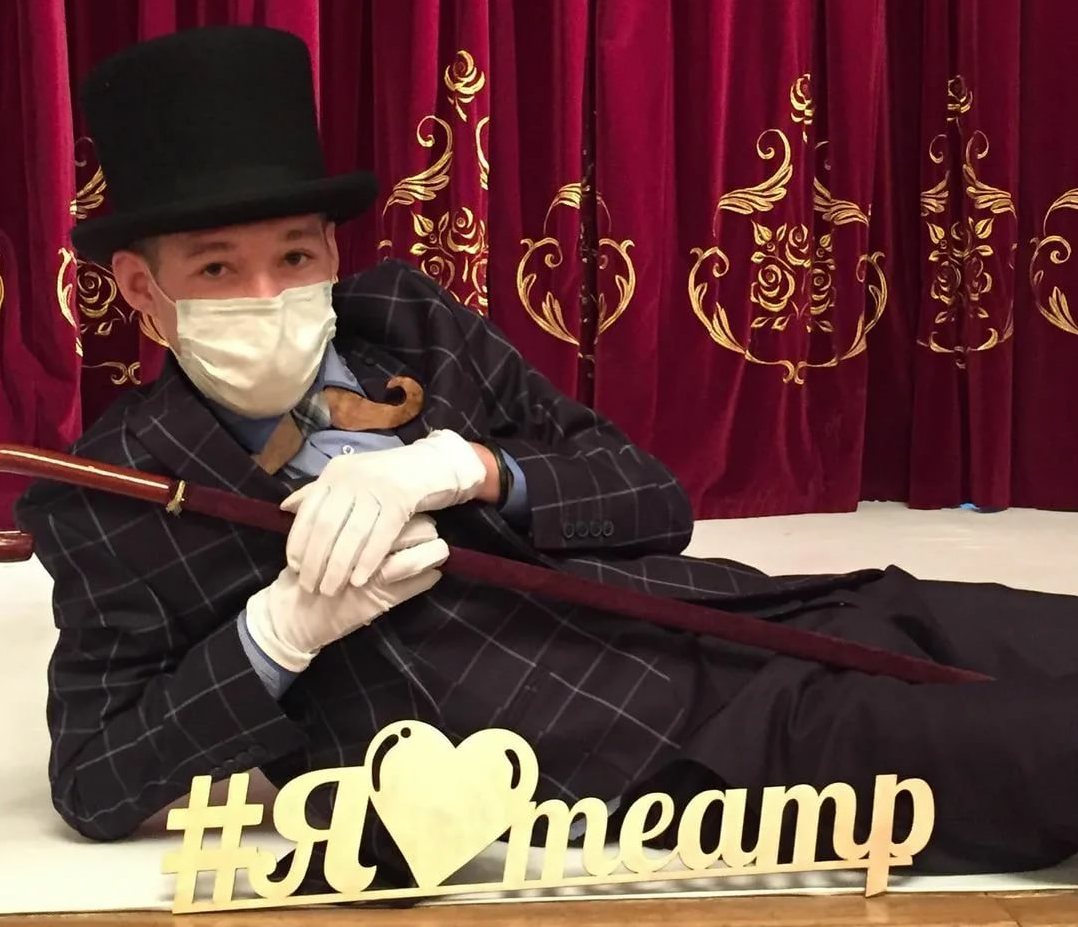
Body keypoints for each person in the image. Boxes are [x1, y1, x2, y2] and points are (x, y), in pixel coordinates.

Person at [16, 24, 1078, 889]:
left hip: (766, 615)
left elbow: (650, 496)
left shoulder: (410, 323)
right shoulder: (113, 495)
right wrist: (278, 632)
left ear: (332, 250)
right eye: (215, 269)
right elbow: (97, 780)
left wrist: (471, 468)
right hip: (677, 750)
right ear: (141, 290)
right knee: (1041, 750)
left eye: (294, 255)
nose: (267, 296)